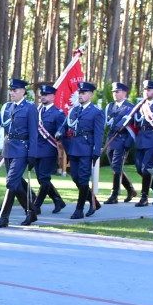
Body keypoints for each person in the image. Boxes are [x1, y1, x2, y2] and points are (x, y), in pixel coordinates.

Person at [0, 78, 39, 228]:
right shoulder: (7, 107)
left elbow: (34, 132)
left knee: (11, 182)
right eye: (11, 90)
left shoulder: (30, 107)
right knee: (16, 184)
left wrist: (32, 153)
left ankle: (3, 217)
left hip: (22, 149)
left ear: (23, 91)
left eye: (15, 90)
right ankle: (31, 212)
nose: (12, 93)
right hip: (9, 148)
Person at [56, 82, 105, 219]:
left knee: (83, 179)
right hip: (74, 147)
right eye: (80, 93)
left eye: (83, 93)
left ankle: (79, 209)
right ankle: (94, 201)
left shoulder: (96, 111)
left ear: (90, 95)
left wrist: (96, 150)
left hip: (86, 148)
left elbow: (98, 133)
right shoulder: (74, 110)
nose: (81, 95)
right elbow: (65, 125)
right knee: (76, 178)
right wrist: (60, 132)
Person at [23, 84, 68, 224]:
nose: (43, 97)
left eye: (46, 95)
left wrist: (60, 134)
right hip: (36, 149)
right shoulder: (36, 111)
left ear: (53, 97)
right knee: (42, 180)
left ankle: (36, 206)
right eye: (42, 95)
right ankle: (58, 200)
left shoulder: (58, 113)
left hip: (49, 149)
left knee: (44, 178)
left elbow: (63, 129)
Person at [104, 82, 136, 204]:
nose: (115, 94)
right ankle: (130, 189)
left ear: (124, 93)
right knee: (115, 167)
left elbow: (133, 127)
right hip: (111, 139)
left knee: (117, 167)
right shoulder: (110, 106)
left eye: (117, 92)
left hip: (122, 140)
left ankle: (114, 194)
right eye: (113, 92)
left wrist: (128, 143)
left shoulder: (130, 108)